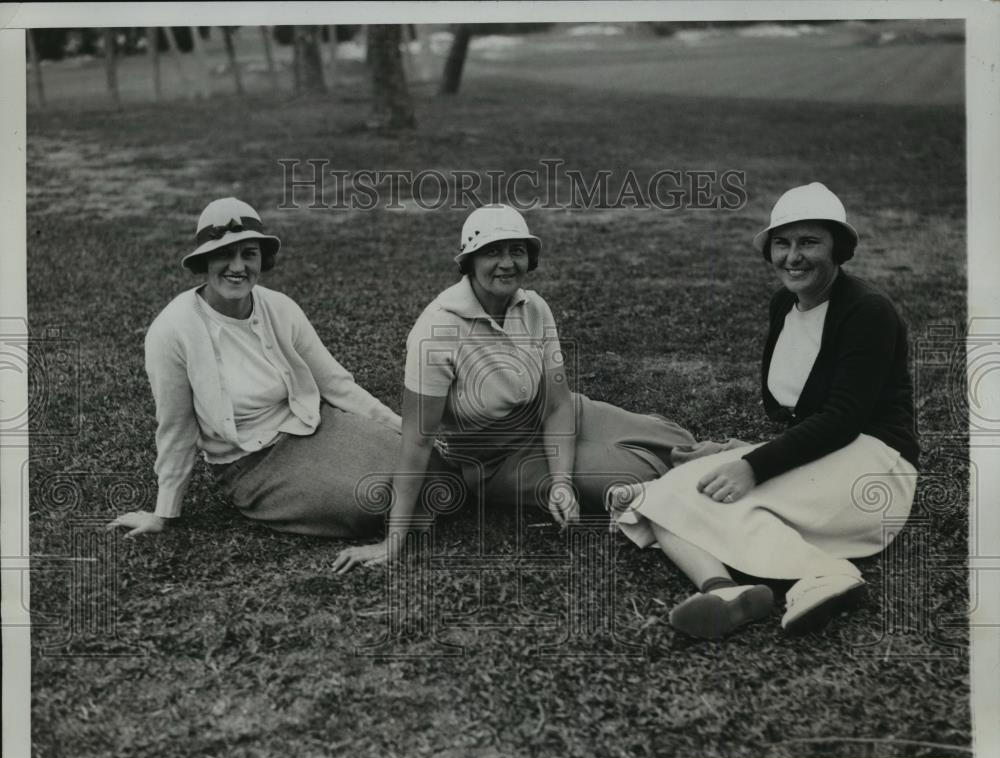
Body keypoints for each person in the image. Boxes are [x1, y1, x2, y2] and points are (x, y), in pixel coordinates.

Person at [332, 204, 735, 573]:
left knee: (670, 439)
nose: (507, 264)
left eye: (517, 251)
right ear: (469, 261)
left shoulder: (534, 307)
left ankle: (747, 462)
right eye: (493, 252)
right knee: (632, 472)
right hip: (493, 460)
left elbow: (559, 403)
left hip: (556, 415)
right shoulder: (436, 330)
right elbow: (417, 443)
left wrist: (560, 480)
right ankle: (703, 496)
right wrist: (394, 540)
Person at [609, 182, 920, 638]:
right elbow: (808, 418)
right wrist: (745, 449)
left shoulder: (867, 311)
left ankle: (824, 574)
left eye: (809, 242)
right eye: (782, 243)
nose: (793, 257)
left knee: (724, 493)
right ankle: (722, 589)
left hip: (875, 466)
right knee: (669, 491)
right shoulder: (784, 305)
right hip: (826, 453)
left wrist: (752, 465)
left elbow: (844, 418)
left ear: (839, 248)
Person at [108, 197, 402, 539]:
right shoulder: (172, 330)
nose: (237, 266)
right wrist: (164, 512)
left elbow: (336, 385)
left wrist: (402, 429)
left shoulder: (280, 307)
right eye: (223, 254)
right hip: (250, 463)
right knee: (370, 503)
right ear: (204, 260)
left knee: (425, 464)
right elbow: (176, 429)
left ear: (263, 258)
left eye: (248, 254)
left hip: (312, 426)